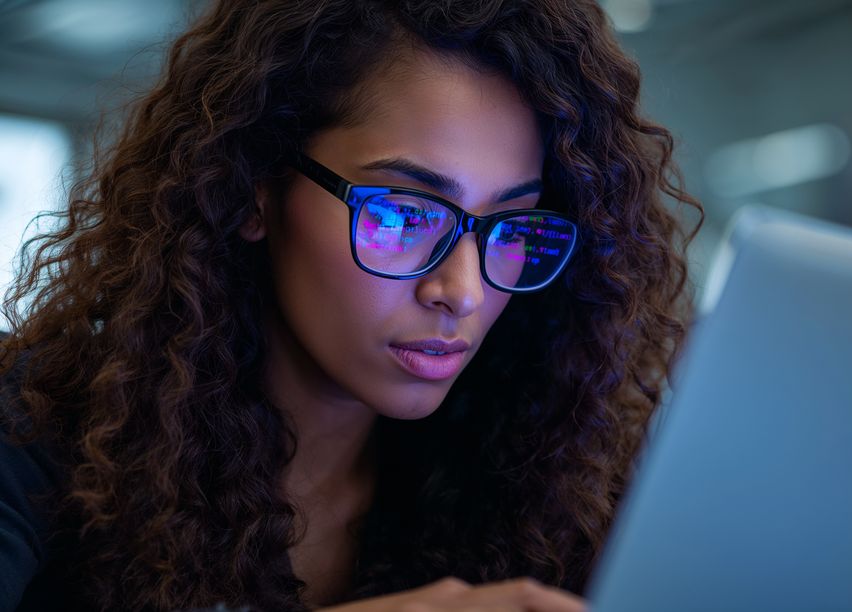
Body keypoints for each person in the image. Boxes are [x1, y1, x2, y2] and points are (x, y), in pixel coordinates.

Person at [0, 0, 702, 610]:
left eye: (510, 228)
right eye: (403, 214)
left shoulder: (542, 477)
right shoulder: (36, 431)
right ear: (255, 190)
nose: (462, 291)